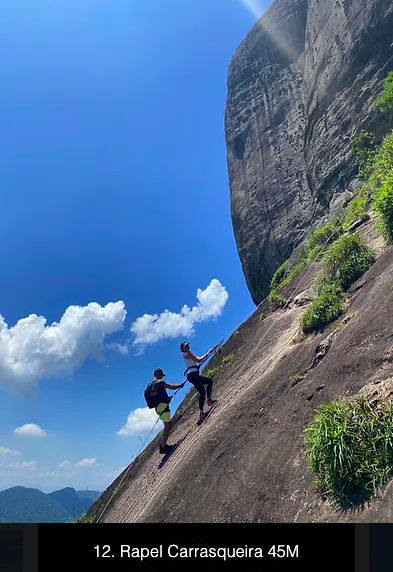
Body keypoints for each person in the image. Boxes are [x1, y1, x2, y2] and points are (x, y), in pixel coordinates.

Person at [180, 341, 218, 422]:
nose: (187, 347)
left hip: (193, 374)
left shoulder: (186, 355)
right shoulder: (187, 353)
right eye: (185, 346)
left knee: (209, 381)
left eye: (187, 346)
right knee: (202, 392)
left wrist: (196, 366)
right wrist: (208, 352)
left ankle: (209, 400)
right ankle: (201, 413)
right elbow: (199, 360)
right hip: (193, 375)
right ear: (183, 348)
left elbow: (194, 362)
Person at [151, 368, 185, 455]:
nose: (162, 377)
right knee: (168, 425)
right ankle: (163, 447)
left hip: (159, 408)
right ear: (157, 374)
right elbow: (171, 387)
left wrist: (167, 399)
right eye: (161, 375)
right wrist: (179, 386)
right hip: (163, 408)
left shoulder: (152, 385)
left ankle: (163, 446)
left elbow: (159, 396)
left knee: (168, 425)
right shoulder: (160, 383)